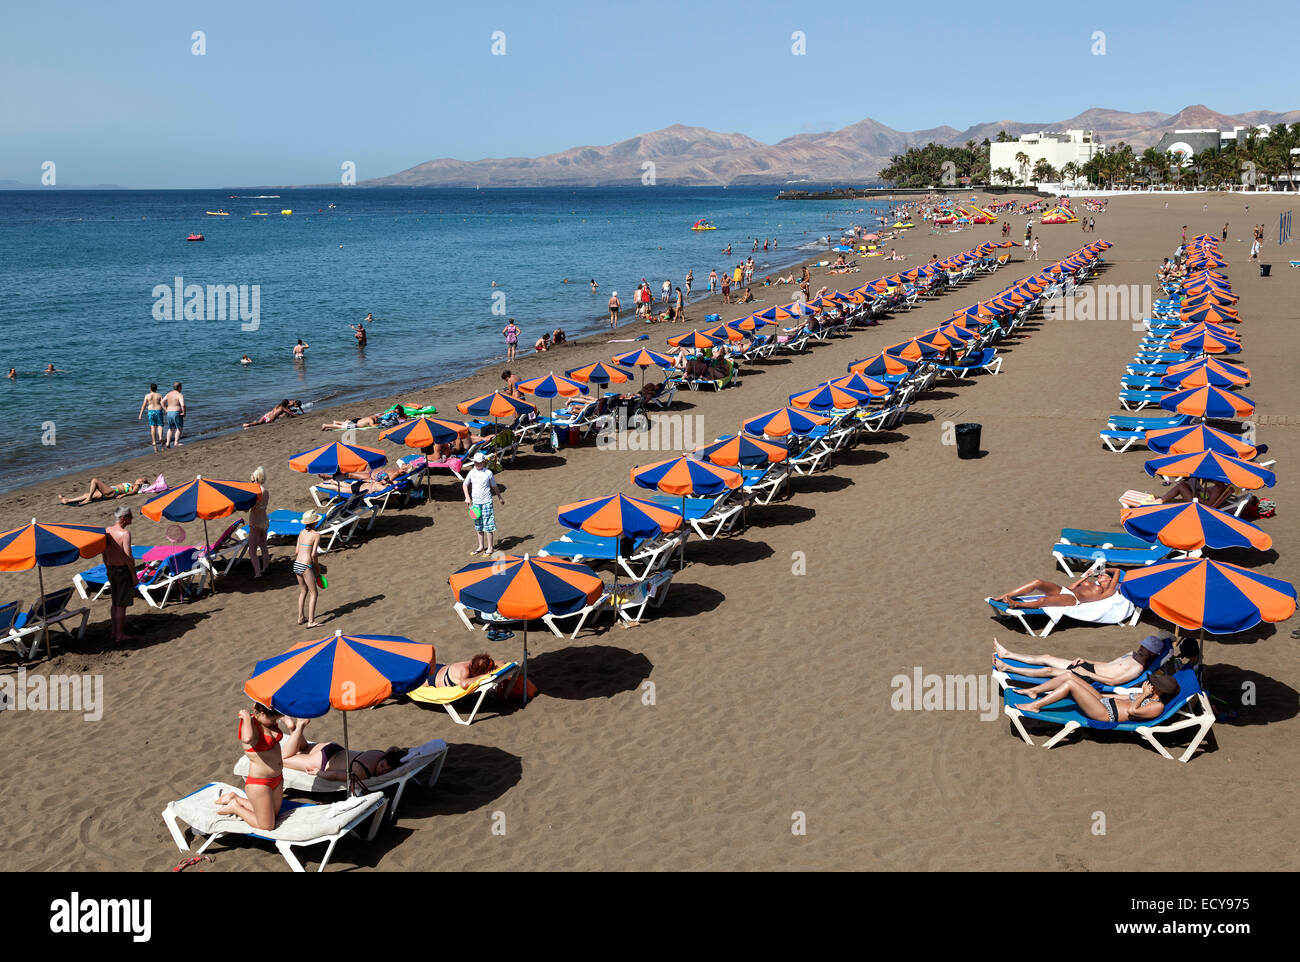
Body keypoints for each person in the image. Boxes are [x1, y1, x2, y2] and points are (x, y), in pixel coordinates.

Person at [214, 702, 289, 830]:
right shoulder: (250, 726)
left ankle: (236, 798)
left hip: (277, 778)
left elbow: (290, 723)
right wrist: (247, 718)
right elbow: (247, 739)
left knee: (274, 815)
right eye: (272, 718)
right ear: (262, 713)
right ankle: (235, 807)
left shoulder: (269, 720)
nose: (274, 721)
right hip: (260, 783)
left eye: (276, 718)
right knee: (267, 825)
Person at [993, 635, 1170, 686]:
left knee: (1047, 671)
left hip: (1089, 677)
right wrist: (1087, 660)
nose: (1141, 648)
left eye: (1145, 649)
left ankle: (1007, 668)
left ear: (1152, 653)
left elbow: (1113, 681)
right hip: (1088, 667)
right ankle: (1008, 654)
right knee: (1047, 658)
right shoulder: (1131, 654)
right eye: (1142, 645)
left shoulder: (1137, 668)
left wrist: (1087, 673)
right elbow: (1107, 665)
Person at [1016, 673, 1178, 724]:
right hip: (1103, 702)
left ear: (1160, 690)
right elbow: (1122, 697)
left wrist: (1143, 694)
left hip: (1105, 714)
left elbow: (1131, 710)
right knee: (1069, 676)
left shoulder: (1158, 706)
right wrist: (1094, 694)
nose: (1150, 682)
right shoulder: (1149, 695)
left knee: (1070, 686)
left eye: (1154, 683)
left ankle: (1036, 705)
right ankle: (1033, 690)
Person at [991, 567, 1123, 609]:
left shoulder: (1107, 591)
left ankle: (1017, 604)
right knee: (1037, 582)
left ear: (1109, 579)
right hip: (1067, 591)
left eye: (1102, 575)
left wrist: (1105, 568)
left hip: (1073, 599)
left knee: (1043, 602)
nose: (1099, 576)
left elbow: (1117, 570)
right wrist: (1084, 578)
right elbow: (1070, 587)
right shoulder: (1093, 584)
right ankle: (1004, 596)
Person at [104, 505, 135, 644]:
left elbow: (103, 553)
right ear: (123, 518)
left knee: (115, 601)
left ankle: (113, 632)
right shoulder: (125, 534)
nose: (132, 519)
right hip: (122, 570)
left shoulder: (107, 531)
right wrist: (133, 574)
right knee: (121, 604)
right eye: (130, 516)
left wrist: (107, 566)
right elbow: (128, 556)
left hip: (110, 568)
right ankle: (120, 634)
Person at [463, 451, 503, 555]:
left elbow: (494, 486)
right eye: (475, 462)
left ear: (483, 462)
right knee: (478, 525)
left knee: (488, 525)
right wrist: (467, 497)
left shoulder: (488, 473)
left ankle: (490, 547)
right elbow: (464, 485)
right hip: (475, 504)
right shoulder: (471, 472)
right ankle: (481, 546)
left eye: (479, 462)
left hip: (486, 502)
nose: (477, 464)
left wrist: (500, 497)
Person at [294, 510, 323, 627]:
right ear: (315, 522)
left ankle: (300, 617)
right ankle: (311, 621)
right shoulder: (316, 535)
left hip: (296, 564)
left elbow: (296, 551)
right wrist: (317, 566)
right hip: (306, 565)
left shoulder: (301, 533)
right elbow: (313, 554)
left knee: (303, 591)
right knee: (314, 593)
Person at [428, 653, 500, 689]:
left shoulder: (475, 664)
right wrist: (484, 676)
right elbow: (464, 684)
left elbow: (499, 662)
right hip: (432, 678)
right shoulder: (465, 670)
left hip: (440, 668)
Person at [248, 466, 270, 579]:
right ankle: (265, 567)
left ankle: (257, 573)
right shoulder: (265, 491)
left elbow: (248, 508)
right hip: (265, 521)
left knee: (252, 551)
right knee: (263, 546)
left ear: (255, 479)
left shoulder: (255, 493)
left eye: (252, 480)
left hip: (255, 522)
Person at [59, 477, 147, 505]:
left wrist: (123, 495)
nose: (138, 478)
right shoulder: (132, 484)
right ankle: (68, 500)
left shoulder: (136, 486)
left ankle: (89, 499)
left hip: (112, 491)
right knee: (87, 494)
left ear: (141, 482)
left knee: (94, 480)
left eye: (141, 479)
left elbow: (133, 492)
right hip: (110, 490)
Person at [138, 383, 165, 452]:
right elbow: (163, 404)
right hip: (158, 411)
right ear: (156, 388)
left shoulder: (147, 396)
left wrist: (140, 414)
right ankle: (160, 437)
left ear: (150, 388)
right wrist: (166, 410)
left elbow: (143, 405)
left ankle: (154, 442)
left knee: (153, 426)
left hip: (151, 412)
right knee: (160, 425)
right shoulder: (159, 395)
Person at [163, 382, 185, 448]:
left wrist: (165, 409)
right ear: (179, 387)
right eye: (181, 387)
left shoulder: (168, 394)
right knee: (179, 428)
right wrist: (184, 412)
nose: (181, 388)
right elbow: (183, 405)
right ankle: (176, 442)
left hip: (169, 412)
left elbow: (162, 402)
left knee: (171, 428)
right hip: (176, 412)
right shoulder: (179, 395)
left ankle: (168, 443)